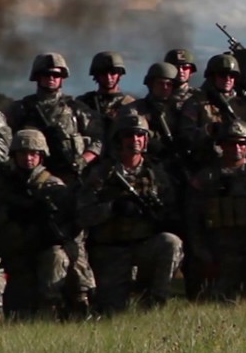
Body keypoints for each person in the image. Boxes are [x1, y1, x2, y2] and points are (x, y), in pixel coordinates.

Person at [76, 114, 183, 313]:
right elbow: (83, 215)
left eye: (140, 135)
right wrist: (113, 208)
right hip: (111, 250)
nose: (135, 140)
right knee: (112, 312)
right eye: (129, 135)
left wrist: (160, 216)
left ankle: (156, 303)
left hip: (145, 246)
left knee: (171, 242)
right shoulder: (102, 174)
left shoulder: (156, 174)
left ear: (146, 140)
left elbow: (172, 211)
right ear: (119, 139)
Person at [184, 121, 246, 300]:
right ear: (221, 145)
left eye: (242, 143)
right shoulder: (206, 178)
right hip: (220, 251)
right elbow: (193, 221)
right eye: (231, 143)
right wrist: (203, 255)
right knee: (219, 301)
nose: (237, 147)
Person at [0, 129, 81, 319]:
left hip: (43, 254)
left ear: (41, 156)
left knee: (56, 256)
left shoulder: (53, 186)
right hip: (15, 256)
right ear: (14, 155)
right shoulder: (4, 185)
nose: (28, 158)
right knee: (16, 315)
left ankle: (51, 311)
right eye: (23, 153)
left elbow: (68, 229)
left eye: (33, 154)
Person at [10, 53, 99, 179]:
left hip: (69, 176)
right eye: (47, 74)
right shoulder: (21, 109)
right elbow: (6, 140)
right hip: (28, 177)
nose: (51, 78)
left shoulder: (76, 108)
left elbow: (98, 140)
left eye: (56, 75)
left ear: (62, 78)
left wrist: (83, 160)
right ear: (38, 77)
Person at [78, 51, 136, 137]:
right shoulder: (83, 103)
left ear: (120, 74)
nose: (108, 77)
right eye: (103, 73)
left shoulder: (130, 105)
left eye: (113, 72)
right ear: (96, 75)